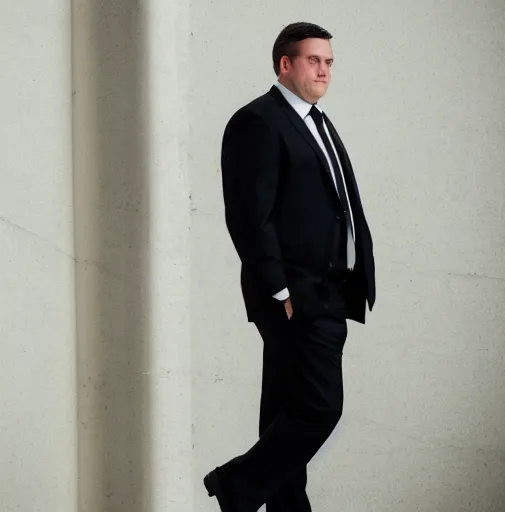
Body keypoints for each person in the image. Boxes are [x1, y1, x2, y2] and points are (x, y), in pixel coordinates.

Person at [204, 21, 376, 512]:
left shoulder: (317, 120)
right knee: (320, 406)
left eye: (328, 62)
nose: (323, 70)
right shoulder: (257, 121)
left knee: (286, 407)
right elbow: (248, 214)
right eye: (312, 60)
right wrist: (280, 290)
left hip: (328, 288)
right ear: (285, 64)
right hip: (296, 295)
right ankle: (235, 486)